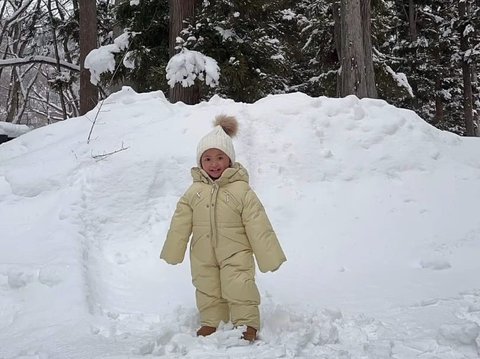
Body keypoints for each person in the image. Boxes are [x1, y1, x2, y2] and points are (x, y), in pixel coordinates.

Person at [160, 115, 286, 342]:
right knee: (206, 286)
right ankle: (211, 321)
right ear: (200, 163)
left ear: (230, 161)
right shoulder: (194, 192)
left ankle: (246, 323)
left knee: (239, 284)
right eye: (207, 159)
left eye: (220, 157)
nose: (214, 163)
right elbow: (179, 224)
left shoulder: (241, 191)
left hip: (236, 251)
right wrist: (173, 250)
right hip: (203, 253)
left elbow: (259, 224)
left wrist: (270, 257)